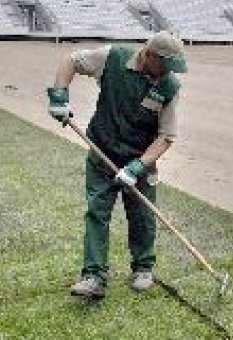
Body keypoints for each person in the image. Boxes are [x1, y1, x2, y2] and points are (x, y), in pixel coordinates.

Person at [47, 31, 187, 299]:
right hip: (103, 151)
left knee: (142, 216)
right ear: (148, 55)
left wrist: (137, 168)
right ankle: (93, 276)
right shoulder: (112, 58)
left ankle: (143, 268)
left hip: (141, 159)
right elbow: (71, 61)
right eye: (165, 65)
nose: (168, 72)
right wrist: (59, 95)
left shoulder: (169, 86)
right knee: (97, 213)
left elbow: (166, 136)